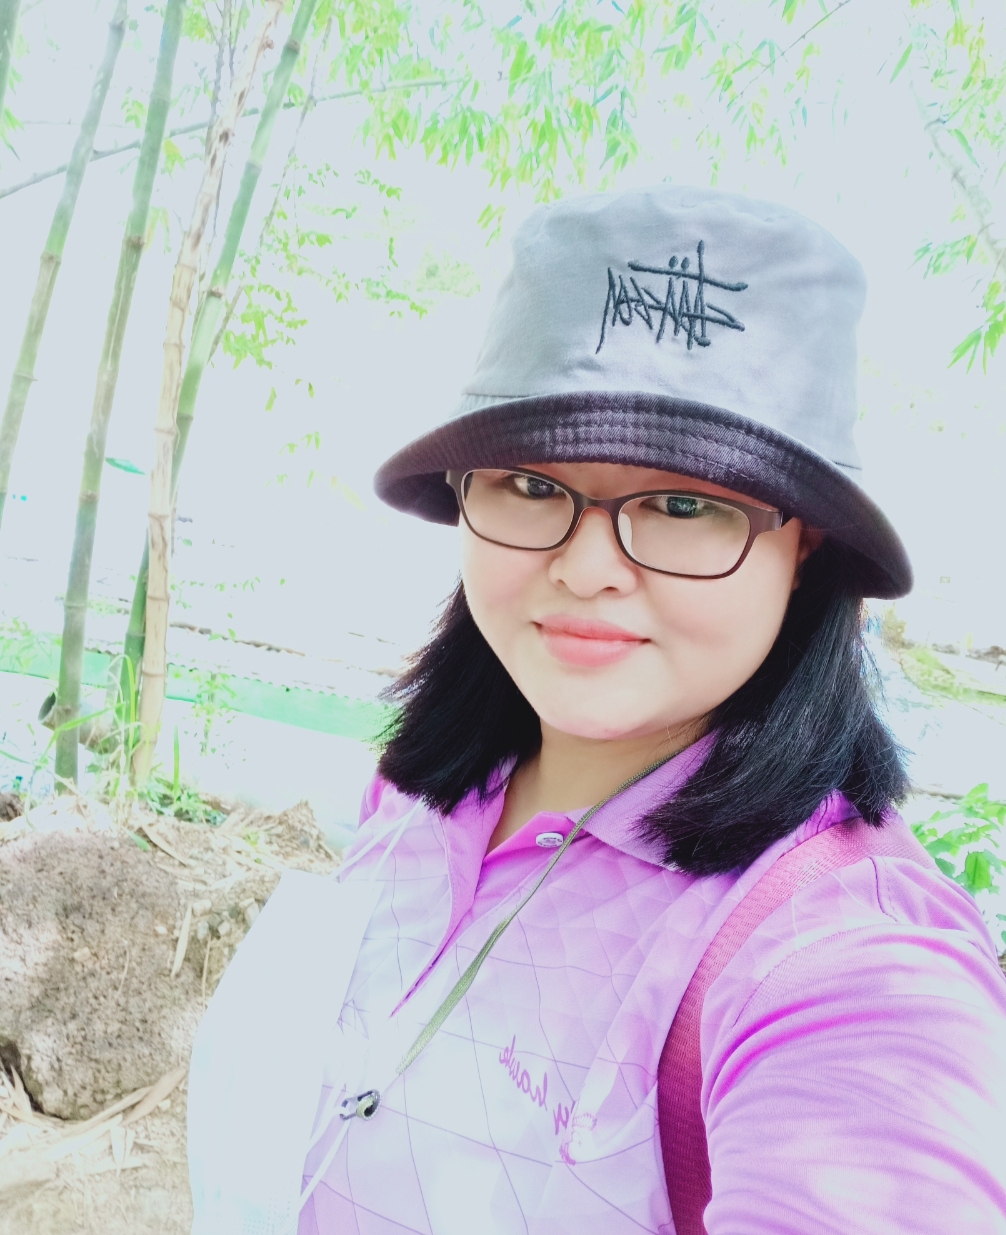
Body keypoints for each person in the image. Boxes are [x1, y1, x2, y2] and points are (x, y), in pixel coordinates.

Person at [189, 186, 1006, 1235]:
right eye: (532, 486)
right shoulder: (426, 788)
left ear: (802, 545)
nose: (584, 568)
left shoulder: (843, 964)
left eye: (682, 503)